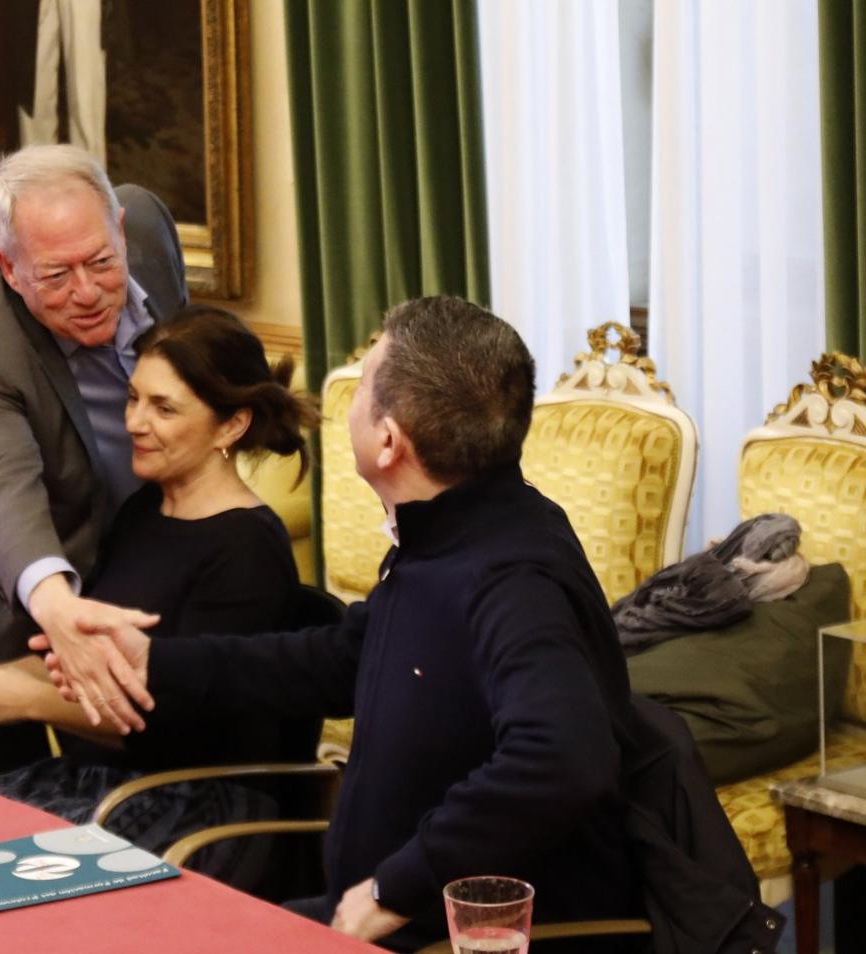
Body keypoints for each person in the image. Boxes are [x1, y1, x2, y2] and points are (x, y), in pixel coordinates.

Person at [43, 296, 646, 950]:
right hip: (370, 919)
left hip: (457, 936)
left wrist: (399, 885)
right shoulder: (450, 534)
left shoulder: (511, 578)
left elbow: (563, 759)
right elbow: (337, 661)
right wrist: (152, 660)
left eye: (361, 392)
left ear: (388, 439)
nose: (345, 407)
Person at [0, 308, 318, 864]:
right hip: (109, 784)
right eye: (133, 399)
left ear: (231, 426)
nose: (135, 423)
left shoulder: (248, 548)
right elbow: (82, 654)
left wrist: (32, 703)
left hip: (195, 804)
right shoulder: (144, 509)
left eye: (163, 408)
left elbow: (180, 728)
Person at [0, 143, 188, 735]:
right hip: (20, 630)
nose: (88, 292)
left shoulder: (145, 224)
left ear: (118, 229)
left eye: (100, 262)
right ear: (11, 269)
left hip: (151, 575)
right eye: (57, 275)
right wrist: (55, 604)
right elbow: (6, 482)